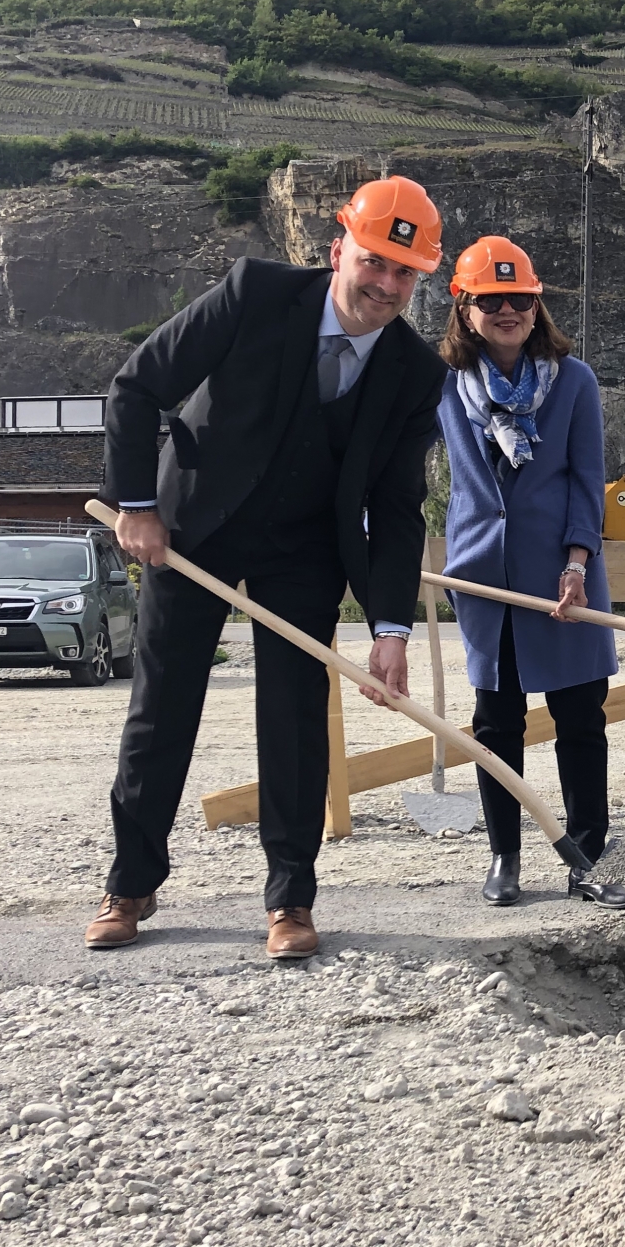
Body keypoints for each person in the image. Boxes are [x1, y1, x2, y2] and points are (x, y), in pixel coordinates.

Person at [89, 176, 449, 958]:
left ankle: (290, 899)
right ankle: (131, 884)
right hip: (193, 532)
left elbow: (394, 507)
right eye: (374, 262)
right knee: (162, 708)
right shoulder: (254, 294)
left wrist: (391, 630)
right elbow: (137, 387)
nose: (386, 285)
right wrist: (136, 506)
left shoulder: (418, 375)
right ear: (337, 252)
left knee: (293, 717)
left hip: (305, 545)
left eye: (404, 273)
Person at [438, 236, 625, 911]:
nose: (508, 310)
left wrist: (578, 562)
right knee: (496, 723)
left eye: (519, 298)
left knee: (581, 718)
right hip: (484, 579)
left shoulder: (572, 381)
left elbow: (587, 480)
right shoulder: (443, 386)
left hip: (562, 578)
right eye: (491, 301)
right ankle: (505, 857)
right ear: (465, 309)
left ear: (536, 304)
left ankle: (587, 858)